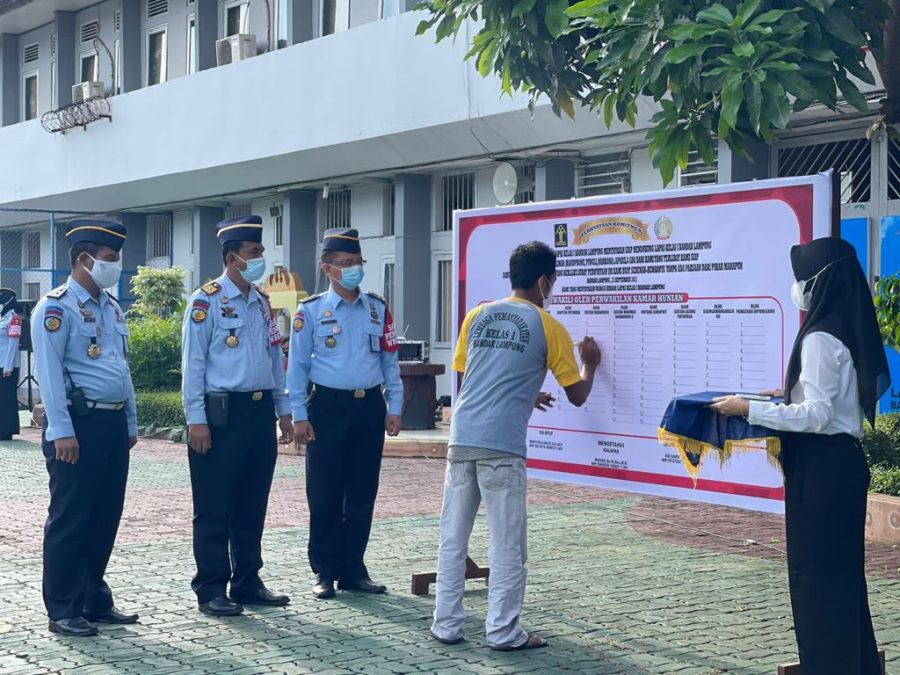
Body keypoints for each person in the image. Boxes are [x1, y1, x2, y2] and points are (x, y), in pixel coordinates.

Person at [712, 237, 889, 674]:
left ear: (818, 281)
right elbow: (829, 401)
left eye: (801, 276)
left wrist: (748, 407)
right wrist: (783, 395)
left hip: (823, 469)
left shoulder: (821, 337)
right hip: (840, 465)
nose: (797, 286)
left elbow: (817, 415)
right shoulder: (842, 327)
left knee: (817, 585)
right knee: (842, 582)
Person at [430, 241, 602, 651]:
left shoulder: (478, 315)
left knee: (452, 538)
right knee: (507, 543)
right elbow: (577, 395)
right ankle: (504, 632)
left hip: (462, 439)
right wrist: (590, 364)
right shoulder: (547, 325)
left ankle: (446, 626)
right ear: (544, 280)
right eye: (553, 282)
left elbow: (475, 373)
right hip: (502, 448)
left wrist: (527, 394)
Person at [181, 215, 294, 617]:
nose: (261, 259)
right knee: (214, 504)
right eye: (254, 253)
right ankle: (211, 586)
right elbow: (193, 365)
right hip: (220, 415)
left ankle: (247, 579)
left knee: (251, 501)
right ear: (233, 258)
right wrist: (196, 420)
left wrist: (284, 412)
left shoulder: (262, 301)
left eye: (261, 252)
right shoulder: (206, 301)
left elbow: (274, 358)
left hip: (259, 410)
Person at [32, 220, 139, 637]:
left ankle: (93, 597)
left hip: (111, 423)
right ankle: (62, 607)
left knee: (104, 516)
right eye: (110, 260)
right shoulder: (55, 308)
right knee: (71, 518)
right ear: (84, 259)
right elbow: (50, 374)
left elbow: (121, 369)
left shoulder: (110, 307)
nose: (115, 267)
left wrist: (129, 421)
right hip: (78, 425)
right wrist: (61, 430)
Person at [287, 227, 403, 599]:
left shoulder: (377, 307)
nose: (353, 269)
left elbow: (390, 361)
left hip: (368, 406)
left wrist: (395, 406)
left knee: (362, 492)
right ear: (327, 269)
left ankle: (354, 568)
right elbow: (298, 367)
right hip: (327, 407)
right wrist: (299, 414)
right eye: (345, 264)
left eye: (357, 263)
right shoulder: (309, 312)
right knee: (324, 492)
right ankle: (324, 570)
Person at [0, 288, 21, 440]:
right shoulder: (2, 318)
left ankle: (7, 430)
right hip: (1, 362)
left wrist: (8, 367)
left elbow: (13, 344)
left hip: (8, 364)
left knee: (7, 398)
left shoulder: (14, 318)